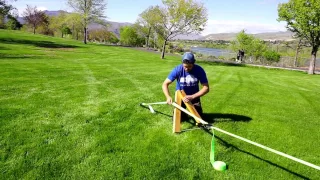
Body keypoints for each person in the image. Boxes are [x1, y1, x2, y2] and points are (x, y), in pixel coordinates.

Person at [162, 52, 209, 119]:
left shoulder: (199, 70)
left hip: (194, 96)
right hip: (180, 96)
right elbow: (165, 84)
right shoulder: (177, 70)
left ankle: (193, 112)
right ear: (182, 64)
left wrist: (192, 96)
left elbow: (206, 88)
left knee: (199, 119)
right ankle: (183, 114)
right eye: (185, 67)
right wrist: (168, 97)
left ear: (193, 63)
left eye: (189, 66)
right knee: (177, 119)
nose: (187, 69)